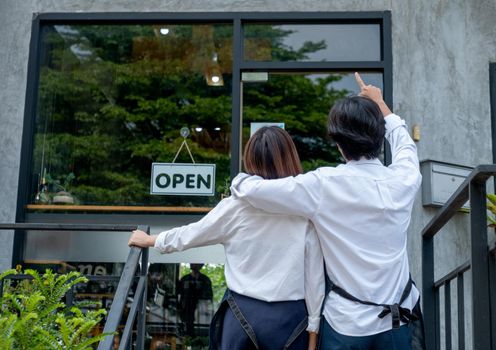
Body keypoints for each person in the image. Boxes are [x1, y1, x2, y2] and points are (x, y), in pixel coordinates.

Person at [230, 73, 424, 349]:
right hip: (397, 321)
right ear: (379, 138)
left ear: (338, 143)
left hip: (346, 324)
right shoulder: (404, 178)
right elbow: (404, 142)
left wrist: (239, 180)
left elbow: (253, 191)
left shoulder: (323, 185)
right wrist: (381, 104)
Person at [128, 126, 325, 350]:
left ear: (250, 159)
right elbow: (314, 276)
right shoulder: (305, 209)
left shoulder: (236, 205)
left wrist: (152, 240)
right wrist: (313, 331)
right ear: (290, 156)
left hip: (241, 314)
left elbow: (193, 233)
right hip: (290, 319)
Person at [177, 263, 213, 337]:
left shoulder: (205, 280)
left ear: (200, 265)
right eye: (192, 262)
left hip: (201, 314)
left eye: (195, 262)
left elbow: (209, 298)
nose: (192, 263)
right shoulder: (185, 279)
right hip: (186, 313)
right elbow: (179, 295)